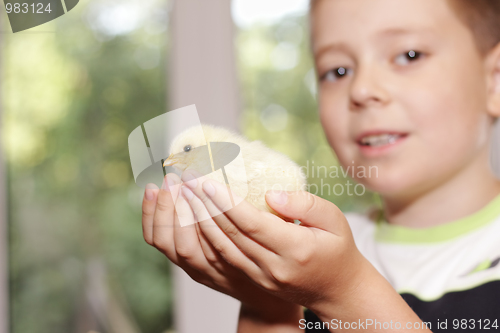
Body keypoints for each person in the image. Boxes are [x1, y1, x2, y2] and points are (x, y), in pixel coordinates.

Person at [141, 0, 500, 331]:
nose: (361, 89)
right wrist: (269, 306)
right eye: (337, 70)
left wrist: (345, 293)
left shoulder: (328, 269)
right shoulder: (313, 252)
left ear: (495, 80)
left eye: (408, 55)